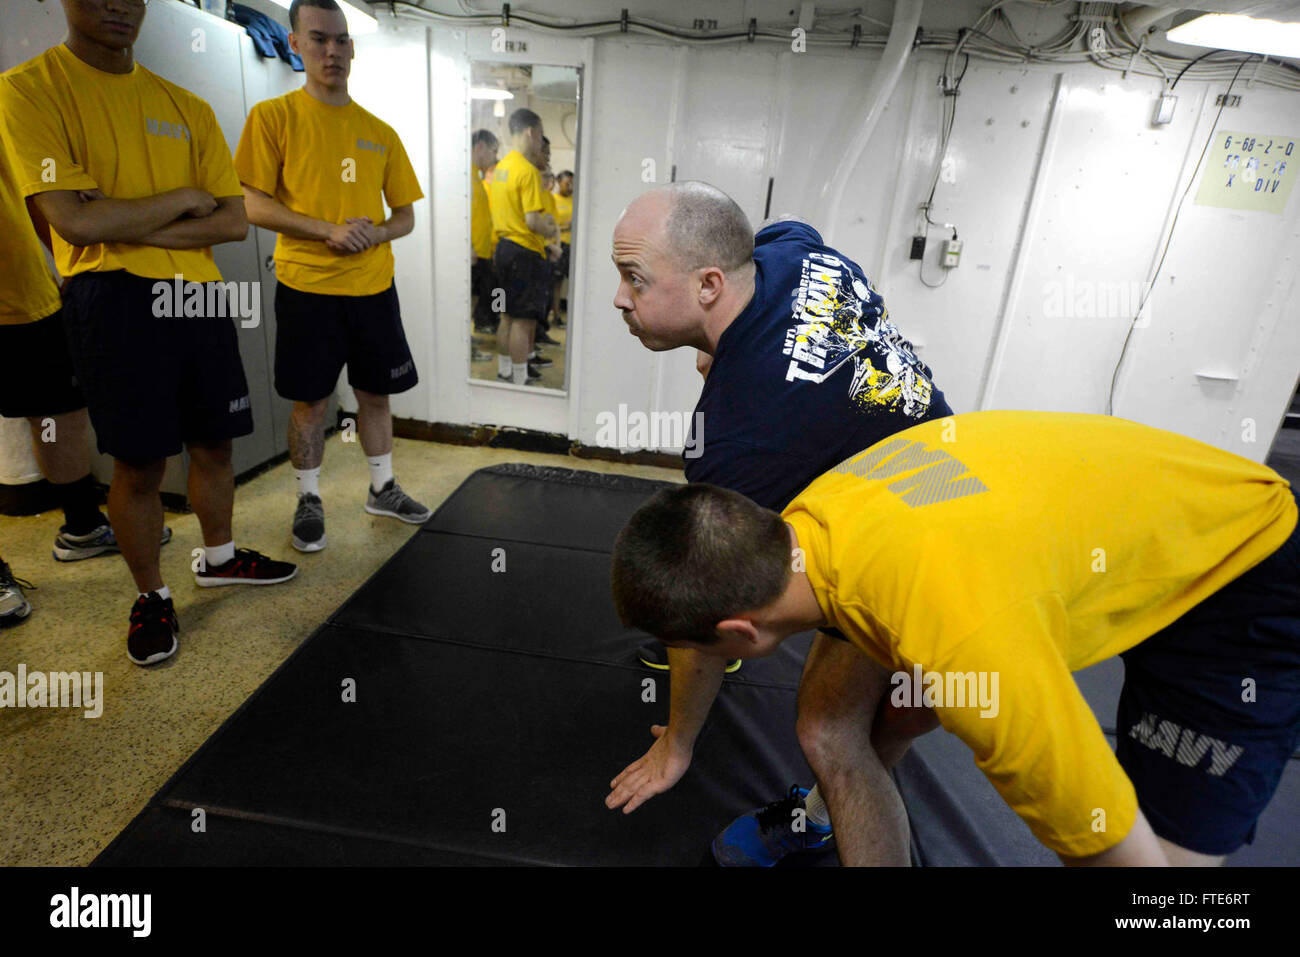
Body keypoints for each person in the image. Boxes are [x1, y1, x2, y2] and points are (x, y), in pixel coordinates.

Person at [612, 410, 1300, 866]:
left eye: (696, 649)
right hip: (1144, 514)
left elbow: (1117, 853)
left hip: (1239, 574)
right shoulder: (816, 513)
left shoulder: (968, 649)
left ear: (737, 634)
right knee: (850, 721)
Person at [605, 181, 952, 866]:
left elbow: (702, 621)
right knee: (877, 724)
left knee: (833, 733)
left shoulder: (735, 448)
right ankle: (824, 811)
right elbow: (791, 253)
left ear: (709, 284)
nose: (620, 298)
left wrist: (677, 744)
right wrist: (723, 350)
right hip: (945, 480)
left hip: (937, 568)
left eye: (634, 279)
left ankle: (826, 813)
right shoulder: (789, 249)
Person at [0, 0, 298, 667]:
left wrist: (120, 218)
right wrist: (179, 199)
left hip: (199, 294)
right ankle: (152, 595)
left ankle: (219, 557)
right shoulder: (28, 91)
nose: (117, 6)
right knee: (140, 462)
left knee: (216, 443)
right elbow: (71, 223)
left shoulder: (186, 105)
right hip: (110, 298)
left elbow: (230, 222)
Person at [235, 0, 431, 553]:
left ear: (352, 49)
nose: (332, 51)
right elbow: (252, 203)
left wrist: (376, 233)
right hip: (307, 288)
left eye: (341, 40)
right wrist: (327, 230)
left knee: (376, 395)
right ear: (294, 45)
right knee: (311, 403)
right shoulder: (273, 118)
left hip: (372, 288)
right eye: (318, 39)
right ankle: (307, 497)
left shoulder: (379, 132)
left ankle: (382, 488)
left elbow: (406, 216)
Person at [0, 90, 173, 565]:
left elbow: (36, 193)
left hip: (23, 293)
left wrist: (66, 262)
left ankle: (81, 525)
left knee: (57, 413)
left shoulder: (10, 99)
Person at [488, 108, 559, 385]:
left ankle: (505, 371)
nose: (540, 142)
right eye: (540, 135)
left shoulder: (502, 168)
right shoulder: (527, 171)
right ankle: (519, 380)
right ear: (531, 132)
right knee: (523, 321)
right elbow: (532, 222)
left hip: (503, 250)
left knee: (506, 316)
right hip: (524, 251)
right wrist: (551, 228)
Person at [471, 128, 500, 337]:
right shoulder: (465, 176)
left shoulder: (476, 177)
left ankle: (469, 341)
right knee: (467, 301)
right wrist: (469, 247)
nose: (494, 157)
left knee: (473, 300)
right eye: (493, 151)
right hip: (472, 253)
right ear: (480, 146)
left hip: (481, 252)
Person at [552, 170, 573, 326]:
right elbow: (552, 227)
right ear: (559, 182)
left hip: (574, 247)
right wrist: (568, 226)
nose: (570, 186)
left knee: (573, 282)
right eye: (567, 183)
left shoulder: (575, 201)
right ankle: (555, 316)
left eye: (572, 183)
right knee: (556, 283)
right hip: (560, 246)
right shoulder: (553, 200)